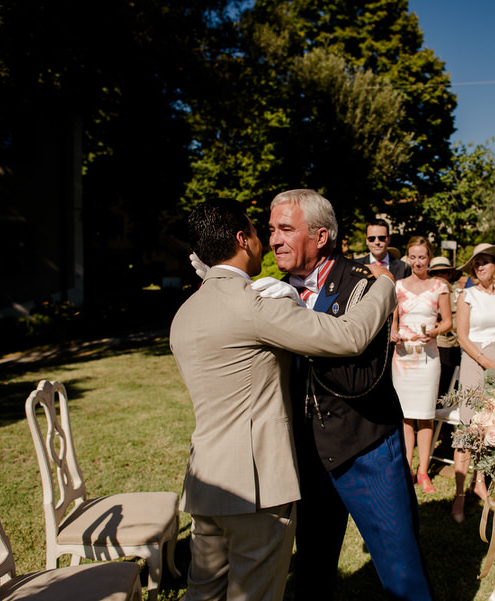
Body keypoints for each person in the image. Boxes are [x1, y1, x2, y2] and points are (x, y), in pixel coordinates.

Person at [169, 199, 397, 601]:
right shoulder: (253, 306)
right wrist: (383, 286)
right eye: (259, 232)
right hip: (256, 487)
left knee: (203, 592)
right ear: (242, 239)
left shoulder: (185, 312)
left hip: (204, 479)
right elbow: (348, 337)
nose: (267, 242)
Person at [268, 190, 433, 601]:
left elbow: (360, 378)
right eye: (271, 230)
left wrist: (299, 327)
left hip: (367, 448)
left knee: (400, 571)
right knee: (311, 569)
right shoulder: (269, 293)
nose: (274, 240)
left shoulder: (364, 289)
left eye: (286, 229)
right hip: (305, 451)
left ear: (321, 236)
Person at [451, 243, 495, 524]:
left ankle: (480, 481)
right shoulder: (467, 296)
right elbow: (461, 335)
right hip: (473, 362)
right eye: (476, 263)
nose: (479, 267)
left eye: (485, 262)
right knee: (468, 428)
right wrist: (485, 361)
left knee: (491, 425)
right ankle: (459, 495)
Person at [390, 237, 452, 494]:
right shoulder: (398, 286)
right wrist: (393, 333)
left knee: (425, 416)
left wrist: (435, 331)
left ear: (429, 258)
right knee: (405, 417)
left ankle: (423, 471)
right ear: (408, 258)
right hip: (403, 357)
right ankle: (406, 468)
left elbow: (448, 322)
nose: (417, 262)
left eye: (422, 257)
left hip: (427, 358)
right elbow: (392, 319)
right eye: (413, 257)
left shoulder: (440, 286)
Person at [428, 256, 462, 398]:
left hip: (455, 344)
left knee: (451, 382)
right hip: (437, 343)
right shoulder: (428, 294)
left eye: (444, 272)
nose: (441, 276)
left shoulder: (457, 293)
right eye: (437, 273)